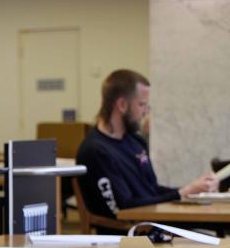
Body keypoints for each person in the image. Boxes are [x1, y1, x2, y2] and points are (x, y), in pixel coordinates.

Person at [76, 69, 215, 219]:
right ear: (122, 105)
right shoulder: (96, 151)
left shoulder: (136, 141)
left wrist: (193, 191)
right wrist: (183, 193)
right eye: (142, 105)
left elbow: (152, 190)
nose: (146, 112)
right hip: (131, 232)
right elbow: (124, 207)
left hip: (152, 221)